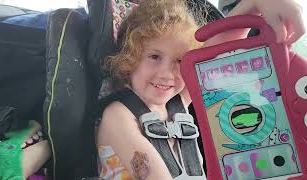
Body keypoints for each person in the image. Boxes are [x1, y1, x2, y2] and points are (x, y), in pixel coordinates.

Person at [97, 0, 305, 179]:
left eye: (179, 61)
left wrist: (254, 5)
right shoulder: (118, 116)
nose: (167, 72)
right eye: (154, 56)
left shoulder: (177, 104)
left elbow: (215, 51)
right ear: (130, 57)